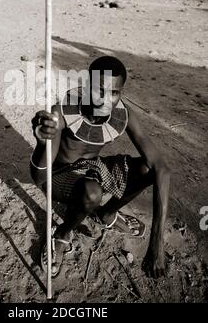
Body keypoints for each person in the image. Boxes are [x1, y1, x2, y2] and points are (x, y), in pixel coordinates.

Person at [30, 55, 170, 278]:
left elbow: (162, 168)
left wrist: (157, 242)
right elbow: (40, 177)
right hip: (57, 176)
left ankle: (107, 213)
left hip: (89, 169)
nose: (105, 100)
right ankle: (62, 233)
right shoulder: (62, 113)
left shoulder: (123, 114)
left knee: (146, 168)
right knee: (92, 192)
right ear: (87, 86)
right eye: (99, 91)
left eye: (114, 93)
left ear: (121, 92)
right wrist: (41, 144)